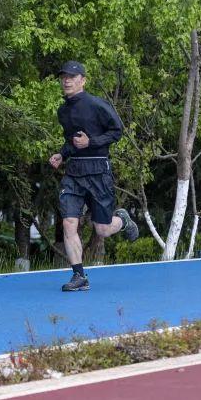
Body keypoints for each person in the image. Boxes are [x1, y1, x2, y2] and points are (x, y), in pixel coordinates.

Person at [49, 60, 139, 292]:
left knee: (102, 230)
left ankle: (123, 220)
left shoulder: (97, 105)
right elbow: (72, 141)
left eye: (72, 76)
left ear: (83, 80)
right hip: (74, 173)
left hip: (98, 171)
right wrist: (62, 154)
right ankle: (79, 276)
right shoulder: (63, 111)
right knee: (69, 222)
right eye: (64, 77)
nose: (67, 80)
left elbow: (117, 131)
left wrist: (92, 142)